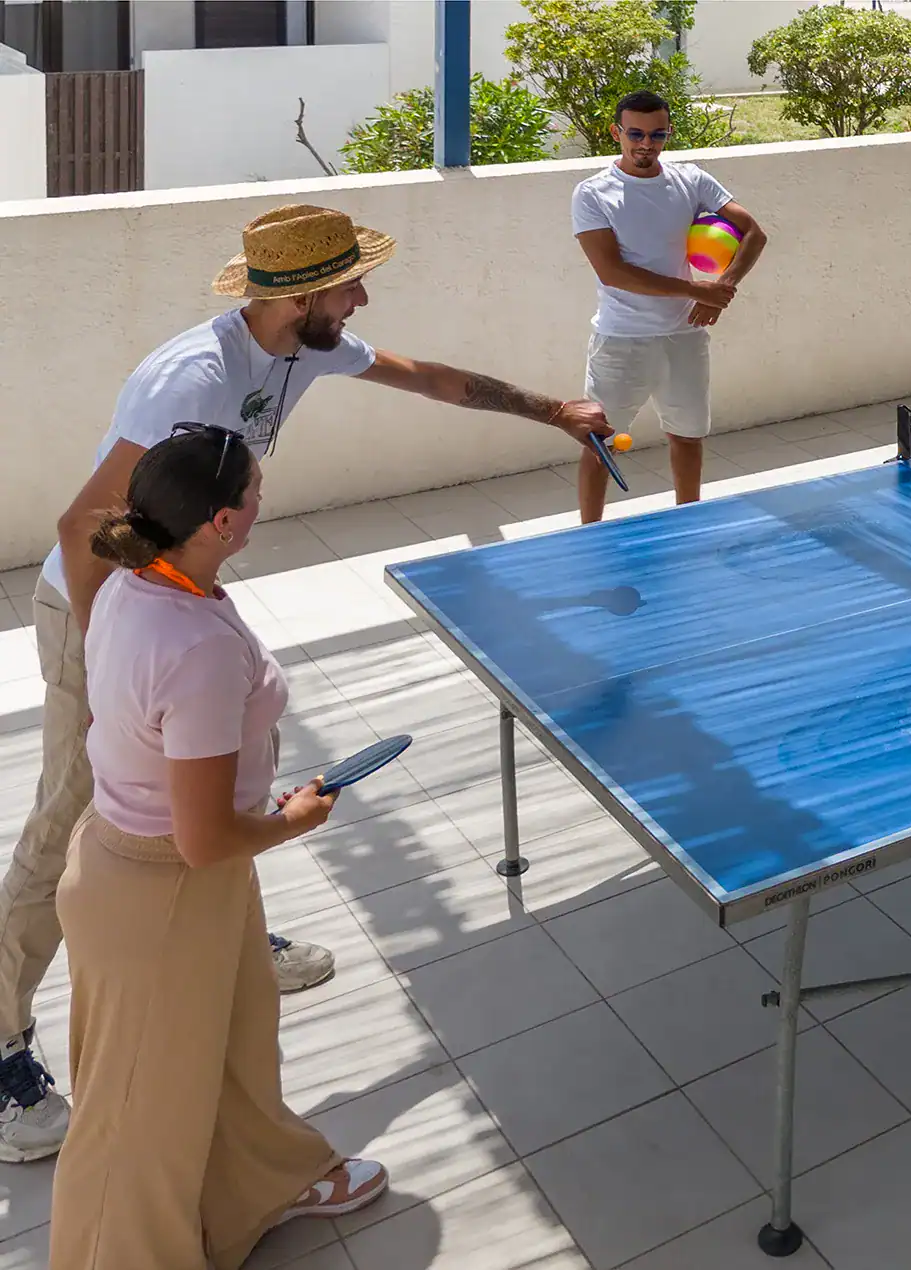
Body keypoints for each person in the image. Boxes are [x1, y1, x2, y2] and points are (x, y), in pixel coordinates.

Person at [0, 203, 612, 1162]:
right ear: (302, 294)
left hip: (177, 597)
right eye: (351, 283)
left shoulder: (303, 349)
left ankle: (235, 943)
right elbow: (85, 526)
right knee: (76, 814)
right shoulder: (191, 382)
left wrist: (555, 412)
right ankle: (1, 1039)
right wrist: (112, 645)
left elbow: (434, 379)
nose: (362, 297)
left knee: (223, 781)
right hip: (105, 613)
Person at [49, 426, 386, 1269]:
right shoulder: (195, 648)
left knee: (235, 1039)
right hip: (162, 890)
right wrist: (294, 819)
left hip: (155, 870)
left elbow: (131, 724)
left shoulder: (142, 579)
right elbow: (202, 842)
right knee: (136, 1112)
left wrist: (234, 799)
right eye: (258, 489)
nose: (265, 498)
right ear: (225, 521)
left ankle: (260, 1186)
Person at [571, 89, 768, 520]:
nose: (646, 144)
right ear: (616, 133)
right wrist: (701, 292)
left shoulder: (692, 180)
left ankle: (689, 525)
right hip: (621, 342)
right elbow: (613, 272)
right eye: (636, 134)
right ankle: (588, 536)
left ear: (668, 133)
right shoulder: (592, 194)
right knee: (601, 444)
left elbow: (754, 233)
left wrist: (724, 287)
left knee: (688, 436)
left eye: (657, 134)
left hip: (684, 338)